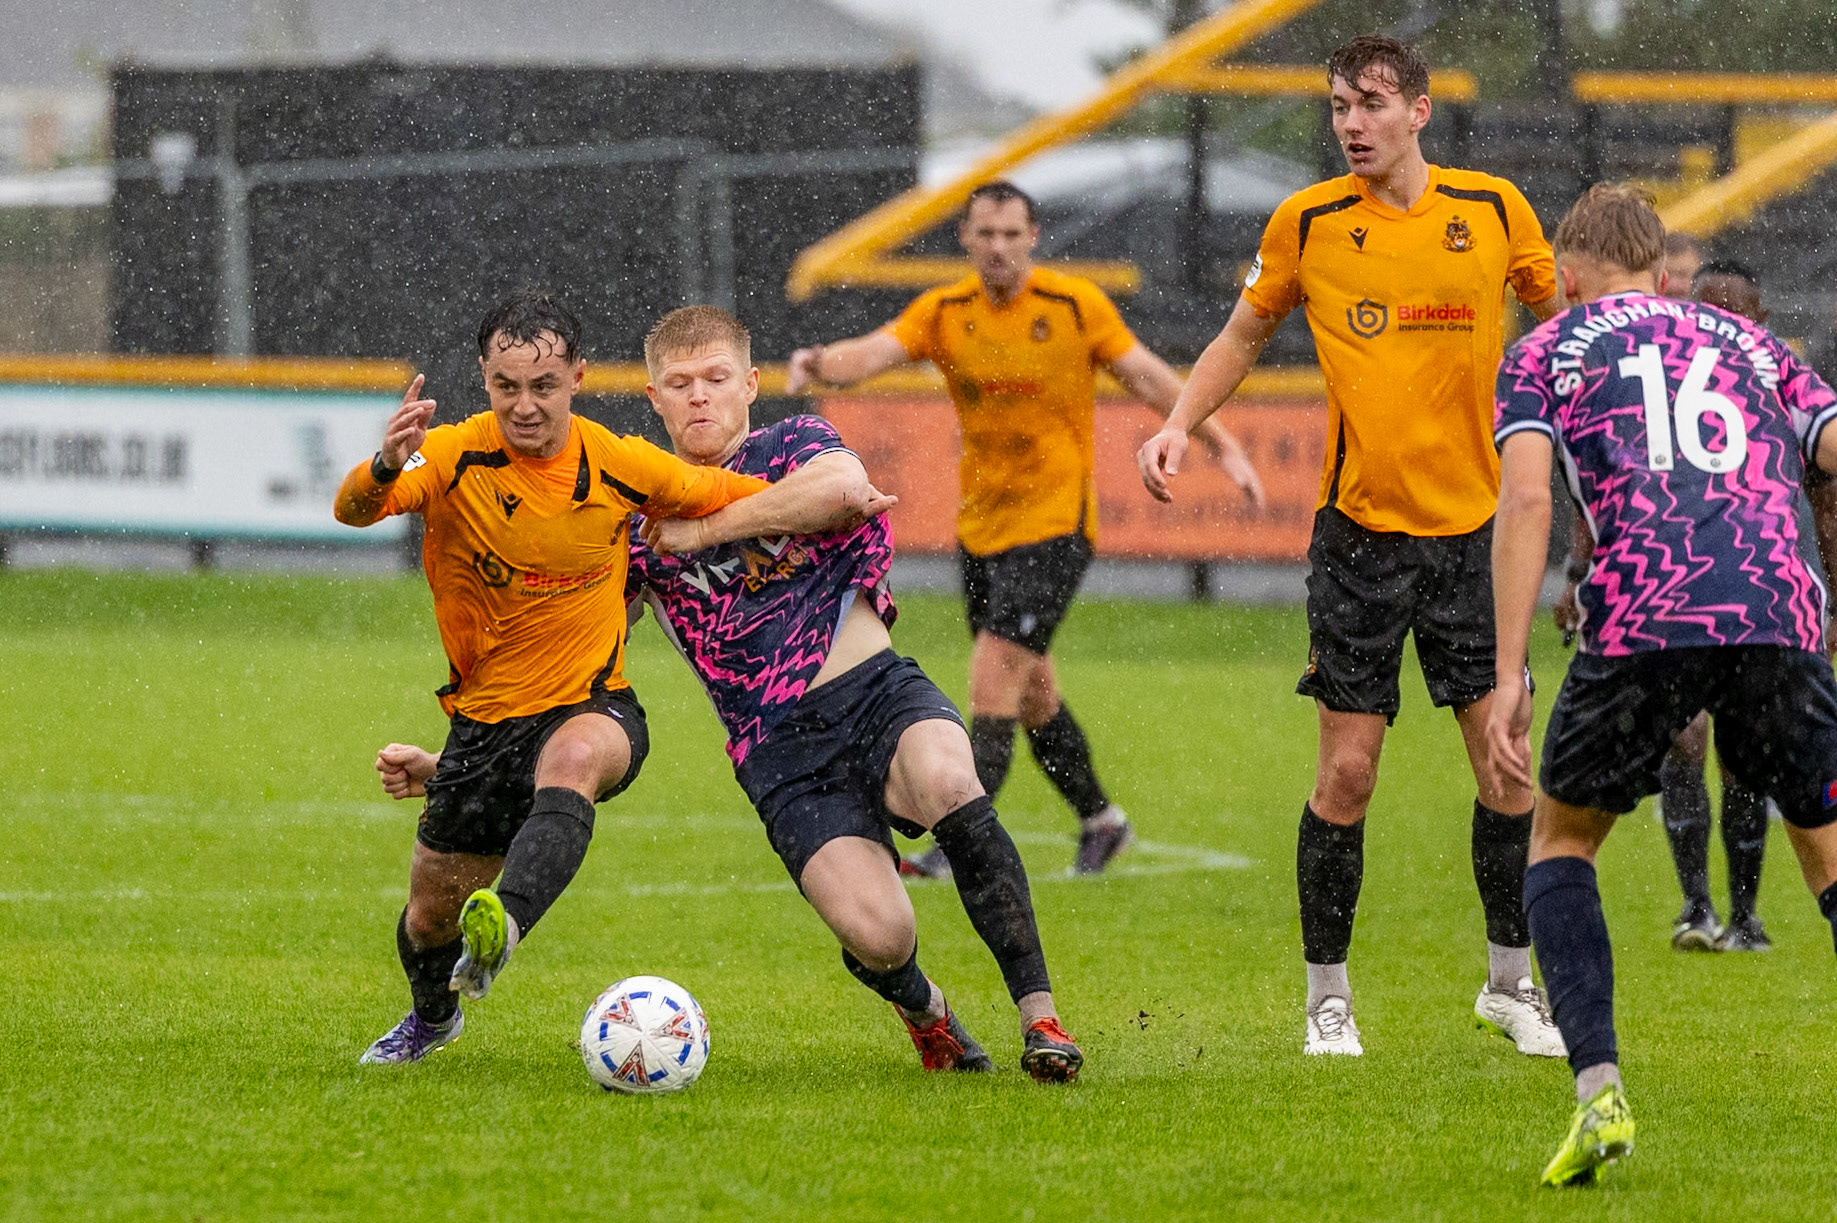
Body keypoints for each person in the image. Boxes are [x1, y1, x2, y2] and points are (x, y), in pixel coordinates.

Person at [381, 305, 1086, 1081]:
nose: (699, 398)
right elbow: (558, 670)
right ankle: (929, 1015)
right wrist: (456, 761)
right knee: (881, 937)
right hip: (781, 755)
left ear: (749, 384)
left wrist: (702, 530)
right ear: (653, 397)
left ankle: (1041, 1019)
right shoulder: (637, 507)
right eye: (679, 385)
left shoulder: (789, 446)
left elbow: (843, 488)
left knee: (953, 782)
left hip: (877, 693)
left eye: (716, 379)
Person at [1137, 35, 1563, 1057]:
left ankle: (1511, 984)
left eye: (1370, 103)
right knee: (1349, 775)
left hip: (1477, 537)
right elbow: (1243, 334)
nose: (1350, 123)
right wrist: (1179, 423)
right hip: (1360, 541)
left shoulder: (1494, 210)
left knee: (1507, 770)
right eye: (1337, 105)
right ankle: (1327, 997)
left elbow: (1560, 327)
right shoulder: (1308, 221)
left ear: (1420, 110)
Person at [1488, 182, 1837, 1187]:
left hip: (1646, 607)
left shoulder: (1546, 348)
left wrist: (1510, 669)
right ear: (1661, 272)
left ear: (1562, 275)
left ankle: (1596, 1084)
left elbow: (1521, 500)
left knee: (1559, 840)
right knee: (1823, 848)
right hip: (1775, 604)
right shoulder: (1747, 342)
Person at [785, 180, 1265, 877]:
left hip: (1054, 526)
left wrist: (1219, 444)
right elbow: (875, 353)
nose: (999, 246)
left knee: (990, 682)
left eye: (1011, 234)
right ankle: (1103, 820)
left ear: (1033, 237)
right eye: (985, 234)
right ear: (966, 239)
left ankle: (960, 846)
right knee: (1032, 691)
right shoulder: (945, 311)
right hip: (982, 529)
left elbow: (1149, 377)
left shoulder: (1074, 306)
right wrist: (819, 362)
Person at [335, 294, 767, 1065]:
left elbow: (733, 495)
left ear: (577, 377)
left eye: (543, 386)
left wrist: (833, 496)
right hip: (484, 723)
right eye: (506, 386)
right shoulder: (452, 454)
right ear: (484, 378)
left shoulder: (617, 460)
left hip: (593, 703)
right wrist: (384, 462)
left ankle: (505, 921)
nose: (524, 405)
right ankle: (433, 1017)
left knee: (572, 761)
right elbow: (355, 510)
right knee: (428, 918)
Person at [1553, 259, 1798, 953]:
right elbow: (1595, 483)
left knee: (1744, 755)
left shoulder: (1776, 389)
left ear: (1759, 321)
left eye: (1734, 312)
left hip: (1753, 591)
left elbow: (1818, 495)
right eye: (1706, 307)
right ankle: (1695, 904)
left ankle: (1743, 913)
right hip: (1670, 587)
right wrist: (1578, 572)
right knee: (1683, 738)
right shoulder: (1653, 385)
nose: (1719, 323)